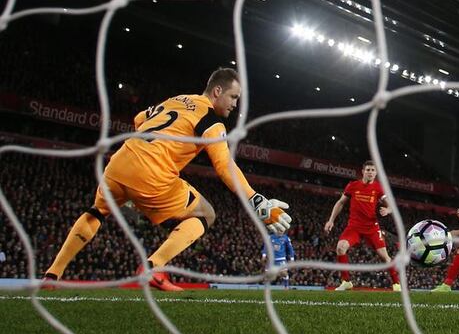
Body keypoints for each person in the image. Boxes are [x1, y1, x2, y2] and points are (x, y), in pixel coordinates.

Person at [43, 68, 291, 291]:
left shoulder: (176, 100)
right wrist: (256, 199)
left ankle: (52, 275)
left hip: (119, 163)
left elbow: (140, 118)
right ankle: (154, 267)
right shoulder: (211, 121)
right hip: (152, 174)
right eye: (234, 97)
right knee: (206, 214)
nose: (236, 104)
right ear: (217, 91)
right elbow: (224, 166)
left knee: (96, 213)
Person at [324, 160, 400, 291]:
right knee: (340, 248)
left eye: (373, 170)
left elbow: (391, 204)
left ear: (376, 173)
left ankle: (396, 284)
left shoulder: (378, 188)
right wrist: (331, 220)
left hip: (372, 228)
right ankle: (346, 282)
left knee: (384, 256)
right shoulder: (353, 186)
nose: (370, 172)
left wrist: (388, 210)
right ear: (363, 171)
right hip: (354, 227)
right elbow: (341, 202)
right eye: (368, 170)